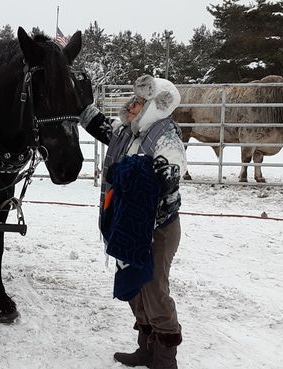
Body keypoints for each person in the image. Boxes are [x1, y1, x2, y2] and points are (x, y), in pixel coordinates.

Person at [79, 74, 187, 369]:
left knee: (153, 289)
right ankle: (147, 348)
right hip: (129, 225)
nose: (133, 106)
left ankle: (165, 358)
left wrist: (158, 171)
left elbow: (173, 164)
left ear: (157, 105)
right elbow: (101, 126)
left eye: (140, 102)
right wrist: (80, 104)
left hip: (158, 229)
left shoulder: (166, 133)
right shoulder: (128, 131)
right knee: (135, 288)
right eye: (135, 100)